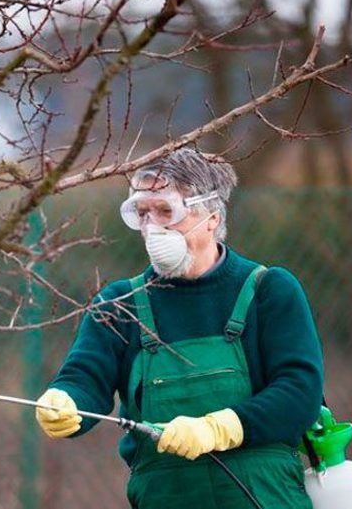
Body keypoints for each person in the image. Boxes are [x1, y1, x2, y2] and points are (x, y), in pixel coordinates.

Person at [35, 148, 324, 509]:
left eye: (166, 211)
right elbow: (85, 377)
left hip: (264, 496)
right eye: (143, 213)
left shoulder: (269, 290)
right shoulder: (120, 303)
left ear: (211, 217)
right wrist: (65, 400)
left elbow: (301, 393)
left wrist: (220, 428)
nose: (152, 226)